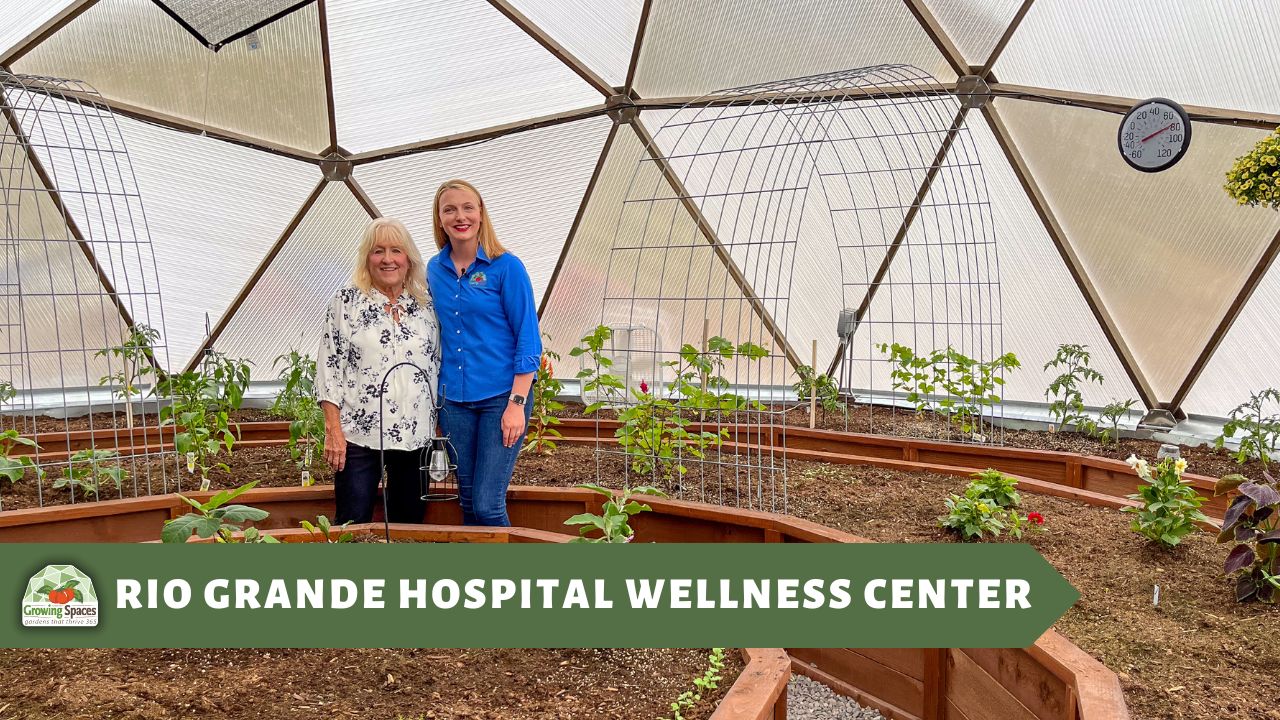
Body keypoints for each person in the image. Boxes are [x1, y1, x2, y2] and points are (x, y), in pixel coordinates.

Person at [426, 179, 541, 526]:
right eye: (450, 210)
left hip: (501, 398)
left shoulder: (506, 267)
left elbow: (528, 338)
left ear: (481, 213)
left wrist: (516, 404)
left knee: (488, 504)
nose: (460, 217)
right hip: (455, 402)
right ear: (440, 218)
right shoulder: (434, 270)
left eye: (467, 208)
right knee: (467, 501)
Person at [318, 217, 440, 525]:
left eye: (396, 250)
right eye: (378, 251)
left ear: (409, 259)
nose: (388, 259)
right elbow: (329, 368)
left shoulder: (426, 305)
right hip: (359, 435)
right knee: (352, 524)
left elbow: (438, 364)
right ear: (366, 258)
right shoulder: (346, 302)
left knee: (409, 528)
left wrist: (439, 426)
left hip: (415, 435)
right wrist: (333, 430)